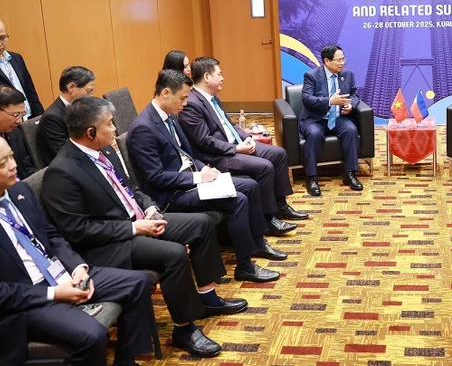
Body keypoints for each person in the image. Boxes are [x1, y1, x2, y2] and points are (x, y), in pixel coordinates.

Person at [40, 97, 246, 358]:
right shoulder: (63, 172)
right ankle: (185, 329)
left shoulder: (105, 152)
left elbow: (131, 188)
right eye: (109, 124)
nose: (115, 129)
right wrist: (136, 228)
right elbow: (77, 231)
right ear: (91, 132)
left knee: (201, 224)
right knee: (173, 254)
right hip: (108, 244)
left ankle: (207, 296)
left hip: (137, 221)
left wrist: (149, 207)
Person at [0, 136, 155, 366]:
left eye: (12, 156)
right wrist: (54, 293)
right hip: (27, 298)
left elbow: (51, 235)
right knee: (92, 335)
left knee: (139, 283)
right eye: (2, 163)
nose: (14, 165)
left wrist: (77, 267)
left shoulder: (19, 190)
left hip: (60, 273)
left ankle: (126, 360)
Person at [127, 70, 287, 272]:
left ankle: (257, 243)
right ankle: (245, 266)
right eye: (183, 98)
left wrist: (205, 169)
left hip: (192, 180)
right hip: (171, 195)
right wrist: (198, 177)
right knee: (238, 200)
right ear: (166, 92)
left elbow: (187, 154)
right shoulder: (144, 128)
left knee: (251, 186)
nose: (185, 103)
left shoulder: (170, 116)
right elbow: (155, 177)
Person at [179, 57, 307, 225]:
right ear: (207, 77)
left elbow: (229, 124)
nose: (223, 78)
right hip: (218, 155)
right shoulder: (192, 104)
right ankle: (268, 218)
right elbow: (204, 141)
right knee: (264, 166)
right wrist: (236, 149)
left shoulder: (212, 97)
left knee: (278, 153)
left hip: (235, 143)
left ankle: (281, 205)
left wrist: (246, 137)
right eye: (219, 74)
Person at [299, 45, 363, 196]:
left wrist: (350, 105)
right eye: (339, 60)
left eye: (343, 59)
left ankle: (350, 174)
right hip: (316, 118)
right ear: (327, 61)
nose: (342, 63)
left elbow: (354, 95)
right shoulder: (312, 76)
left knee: (351, 130)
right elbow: (307, 99)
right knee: (314, 135)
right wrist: (329, 101)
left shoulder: (348, 74)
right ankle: (312, 178)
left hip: (339, 117)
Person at [37, 66, 96, 165]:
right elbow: (65, 153)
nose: (91, 96)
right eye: (88, 91)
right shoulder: (52, 118)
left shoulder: (81, 107)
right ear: (71, 87)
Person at [0, 20, 44, 118]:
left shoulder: (16, 58)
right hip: (8, 123)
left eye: (2, 38)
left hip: (29, 117)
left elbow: (30, 90)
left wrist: (41, 116)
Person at [0, 86, 35, 180]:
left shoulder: (16, 133)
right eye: (15, 115)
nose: (20, 121)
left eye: (22, 115)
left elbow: (26, 167)